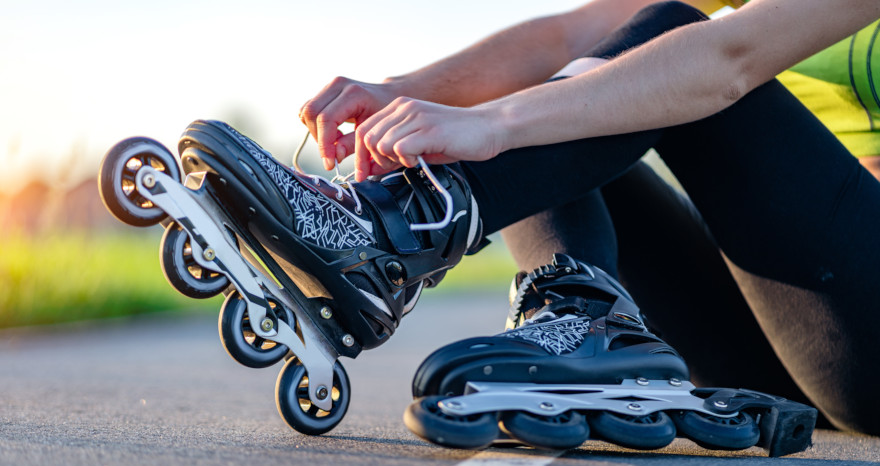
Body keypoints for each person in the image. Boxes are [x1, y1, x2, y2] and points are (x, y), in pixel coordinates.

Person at [293, 0, 880, 436]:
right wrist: (400, 91)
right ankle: (584, 324)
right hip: (795, 333)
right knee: (583, 78)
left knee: (672, 43)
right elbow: (571, 37)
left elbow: (730, 59)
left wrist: (494, 125)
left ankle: (390, 235)